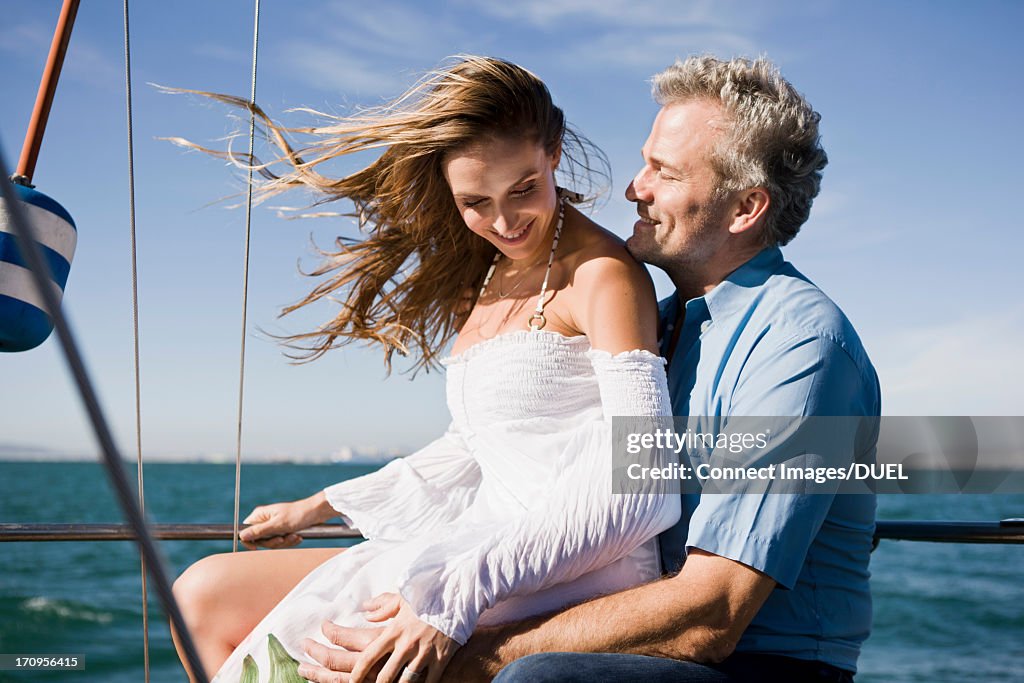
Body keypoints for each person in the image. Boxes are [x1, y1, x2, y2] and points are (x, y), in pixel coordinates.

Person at [299, 55, 880, 683]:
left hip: (764, 665)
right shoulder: (665, 323)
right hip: (631, 622)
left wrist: (480, 650)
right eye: (644, 161)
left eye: (663, 171)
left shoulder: (802, 345)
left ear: (745, 208)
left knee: (535, 679)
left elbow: (714, 611)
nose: (634, 187)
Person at [170, 55, 681, 683]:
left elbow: (644, 480)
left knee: (326, 650)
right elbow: (474, 447)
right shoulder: (490, 275)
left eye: (523, 188)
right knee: (202, 594)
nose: (503, 221)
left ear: (552, 153)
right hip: (480, 546)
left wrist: (452, 594)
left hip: (572, 564)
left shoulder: (603, 276)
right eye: (475, 202)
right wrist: (321, 504)